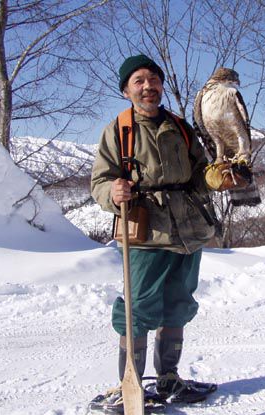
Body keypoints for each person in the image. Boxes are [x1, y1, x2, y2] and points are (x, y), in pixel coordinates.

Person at [90, 54, 216, 410]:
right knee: (139, 307)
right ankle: (127, 385)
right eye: (139, 81)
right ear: (127, 90)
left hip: (188, 229)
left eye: (153, 79)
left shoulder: (180, 126)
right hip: (145, 230)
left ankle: (169, 380)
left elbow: (200, 173)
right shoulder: (119, 129)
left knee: (178, 303)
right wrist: (112, 194)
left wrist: (218, 178)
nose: (148, 86)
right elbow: (100, 181)